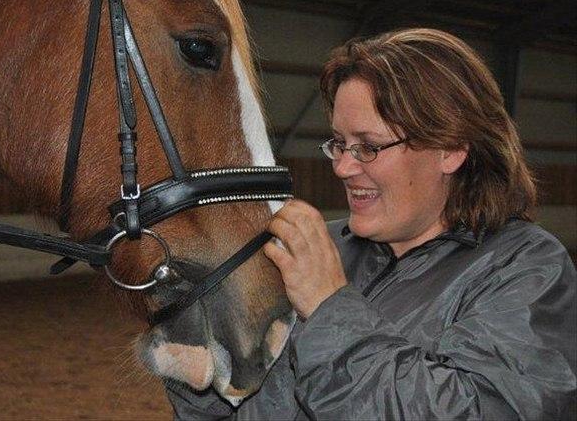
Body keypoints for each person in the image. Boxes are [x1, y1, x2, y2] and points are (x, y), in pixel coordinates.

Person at [166, 28, 577, 420]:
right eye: (340, 144)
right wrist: (194, 350)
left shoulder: (525, 268)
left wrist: (329, 308)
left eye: (369, 147)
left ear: (450, 150)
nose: (344, 167)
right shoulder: (318, 250)